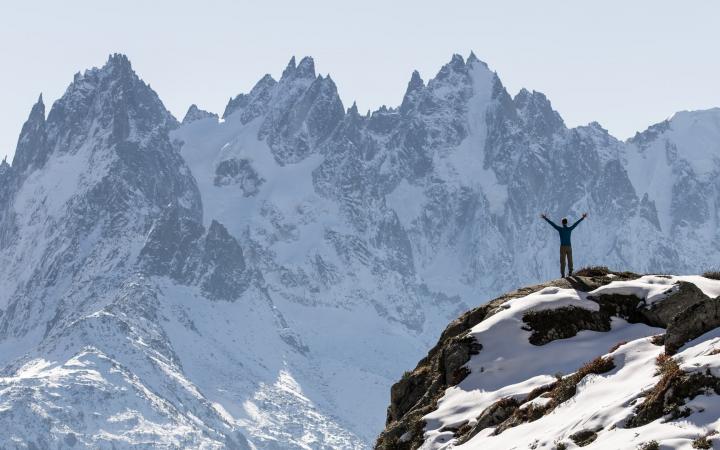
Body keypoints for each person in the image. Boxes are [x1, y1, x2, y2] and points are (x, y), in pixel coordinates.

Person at [540, 212, 588, 278]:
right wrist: (582, 218)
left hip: (562, 247)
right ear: (566, 222)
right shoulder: (569, 229)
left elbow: (553, 224)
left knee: (562, 261)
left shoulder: (560, 229)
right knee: (570, 260)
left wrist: (545, 218)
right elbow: (575, 224)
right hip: (569, 247)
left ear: (562, 223)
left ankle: (563, 275)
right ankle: (570, 272)